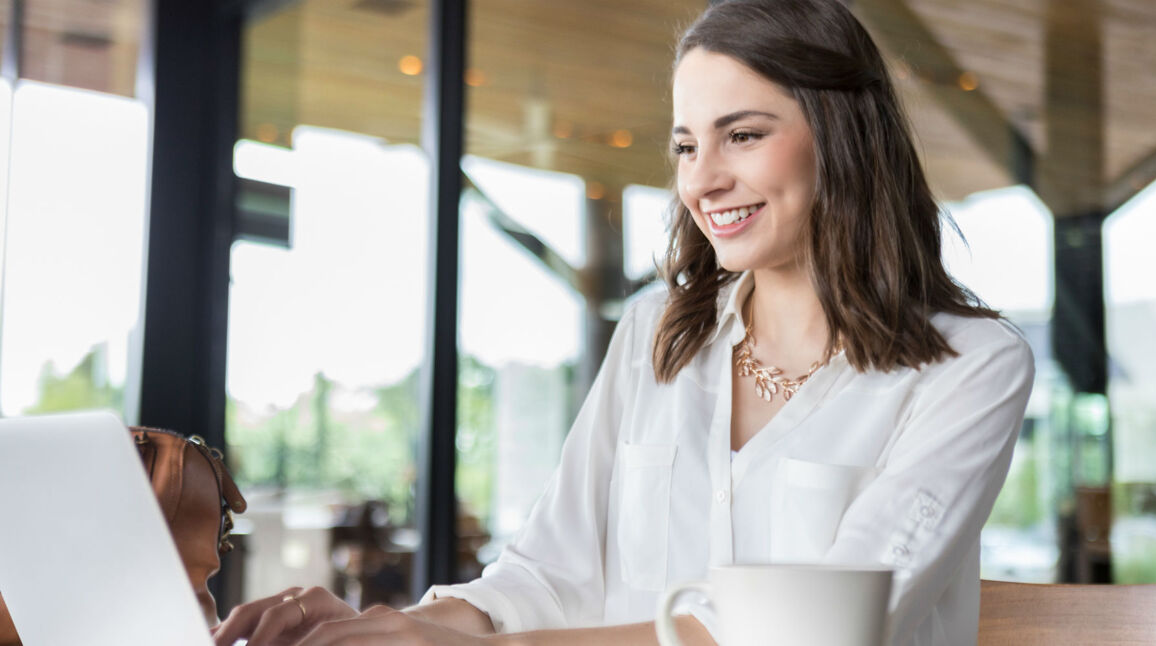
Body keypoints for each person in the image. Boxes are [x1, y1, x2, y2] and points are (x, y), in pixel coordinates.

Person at [212, 0, 1035, 644]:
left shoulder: (972, 366)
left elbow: (813, 633)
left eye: (742, 135)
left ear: (841, 138)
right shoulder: (655, 335)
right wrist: (395, 626)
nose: (703, 180)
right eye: (685, 146)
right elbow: (551, 572)